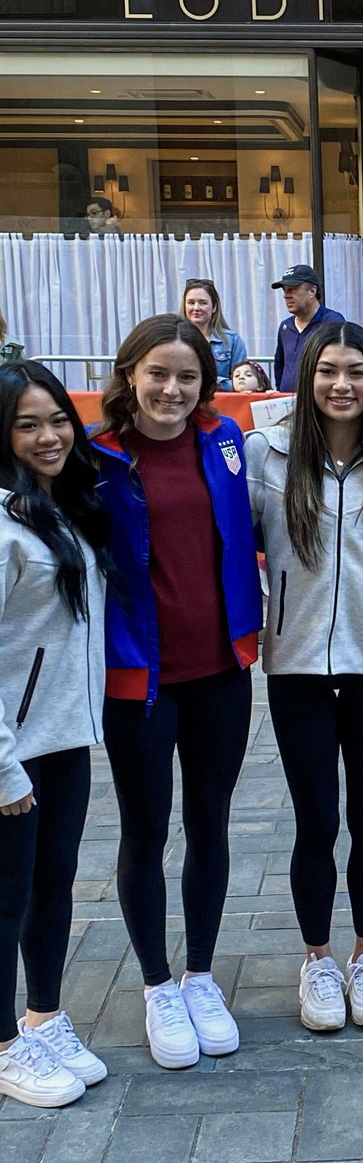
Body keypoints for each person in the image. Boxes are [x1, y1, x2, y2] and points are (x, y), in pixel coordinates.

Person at [91, 314, 262, 1069]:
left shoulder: (222, 442)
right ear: (131, 373)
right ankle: (158, 985)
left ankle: (199, 975)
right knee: (145, 831)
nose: (171, 388)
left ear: (205, 383)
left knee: (211, 825)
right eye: (157, 373)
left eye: (186, 376)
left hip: (222, 671)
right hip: (141, 682)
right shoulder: (95, 458)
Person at [246, 322, 363, 1033]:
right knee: (316, 821)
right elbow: (239, 544)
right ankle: (318, 960)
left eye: (356, 371)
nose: (342, 385)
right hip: (296, 669)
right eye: (328, 372)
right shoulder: (269, 450)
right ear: (307, 377)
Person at [0, 362, 114, 1108]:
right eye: (28, 424)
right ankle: (5, 1046)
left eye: (58, 420)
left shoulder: (61, 504)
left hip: (64, 737)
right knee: (5, 901)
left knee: (51, 890)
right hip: (12, 754)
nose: (49, 437)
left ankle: (42, 1016)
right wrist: (2, 768)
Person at [272, 265, 344, 393]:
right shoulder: (285, 327)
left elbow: (339, 364)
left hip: (317, 402)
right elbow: (280, 364)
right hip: (286, 402)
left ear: (312, 291)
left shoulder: (331, 322)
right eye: (284, 290)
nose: (286, 296)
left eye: (292, 290)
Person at [179, 279, 249, 392]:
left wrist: (208, 382)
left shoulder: (232, 341)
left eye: (203, 303)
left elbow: (243, 382)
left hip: (223, 405)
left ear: (214, 307)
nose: (196, 308)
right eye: (191, 302)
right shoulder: (174, 339)